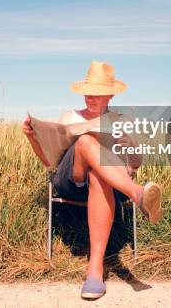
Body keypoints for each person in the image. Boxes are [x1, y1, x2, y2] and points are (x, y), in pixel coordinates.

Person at [22, 61, 163, 300]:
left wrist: (131, 149)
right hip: (72, 181)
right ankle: (137, 194)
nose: (91, 97)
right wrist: (33, 139)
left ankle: (94, 273)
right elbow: (49, 162)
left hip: (110, 184)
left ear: (110, 94)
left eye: (97, 93)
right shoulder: (70, 116)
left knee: (100, 176)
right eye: (88, 92)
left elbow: (135, 164)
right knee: (86, 142)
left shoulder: (121, 120)